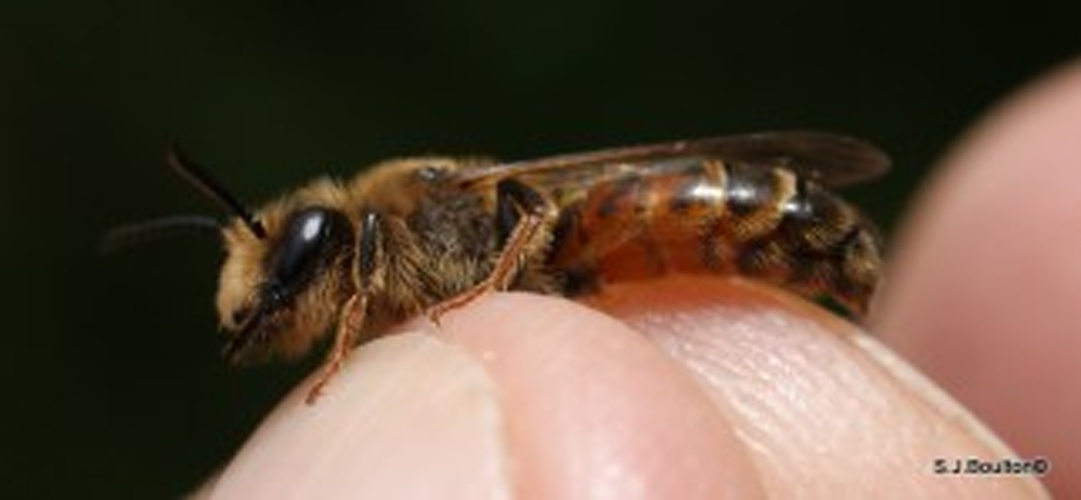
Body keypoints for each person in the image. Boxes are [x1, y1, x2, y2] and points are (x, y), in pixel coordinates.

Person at [197, 62, 1081, 499]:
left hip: (647, 218)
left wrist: (481, 294)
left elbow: (535, 217)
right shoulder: (391, 270)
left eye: (295, 261)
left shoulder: (417, 218)